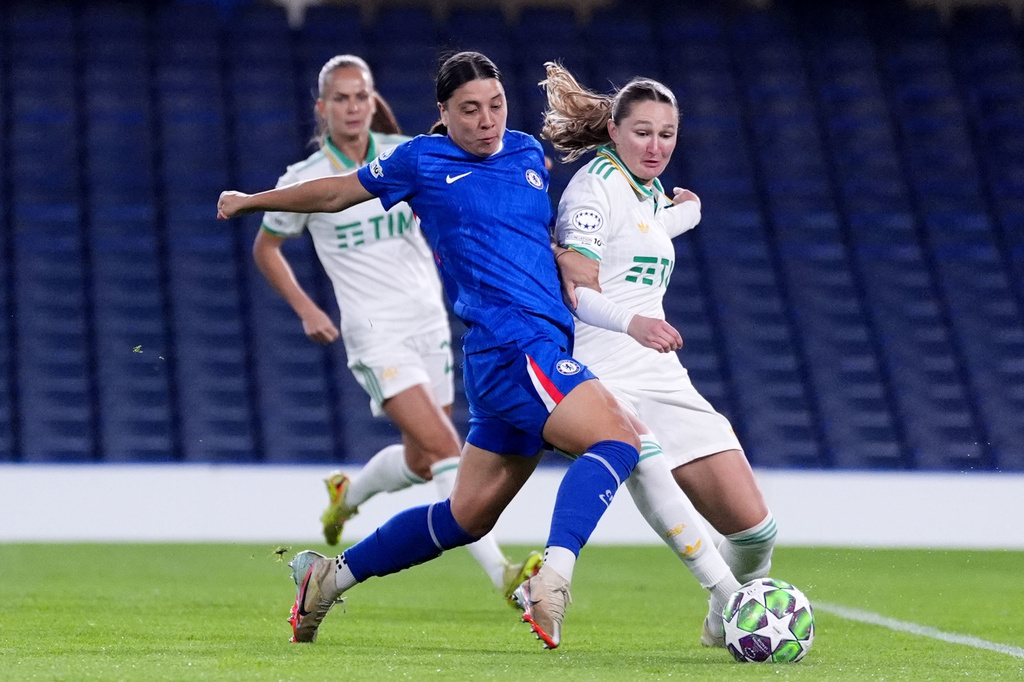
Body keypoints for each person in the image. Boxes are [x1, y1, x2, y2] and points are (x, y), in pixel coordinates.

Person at [218, 51, 643, 650]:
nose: (487, 120)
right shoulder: (422, 160)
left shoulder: (524, 152)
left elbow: (537, 227)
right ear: (444, 113)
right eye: (469, 110)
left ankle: (326, 578)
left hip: (522, 348)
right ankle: (553, 578)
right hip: (510, 344)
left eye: (495, 105)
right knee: (620, 435)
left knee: (465, 517)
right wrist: (253, 200)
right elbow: (339, 193)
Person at [253, 54, 541, 605]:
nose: (352, 106)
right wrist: (308, 309)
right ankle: (504, 574)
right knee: (442, 447)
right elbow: (266, 246)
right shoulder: (307, 179)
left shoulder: (405, 154)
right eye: (340, 97)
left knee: (418, 457)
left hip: (428, 320)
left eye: (361, 95)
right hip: (373, 331)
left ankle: (347, 495)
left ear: (371, 100)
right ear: (323, 108)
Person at [540, 62, 777, 647]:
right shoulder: (592, 188)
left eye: (667, 134)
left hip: (661, 372)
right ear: (615, 132)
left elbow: (646, 232)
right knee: (645, 462)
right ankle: (734, 604)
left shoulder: (645, 192)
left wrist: (687, 213)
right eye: (642, 131)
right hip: (606, 368)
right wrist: (636, 323)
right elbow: (582, 291)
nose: (656, 145)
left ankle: (723, 623)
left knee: (756, 534)